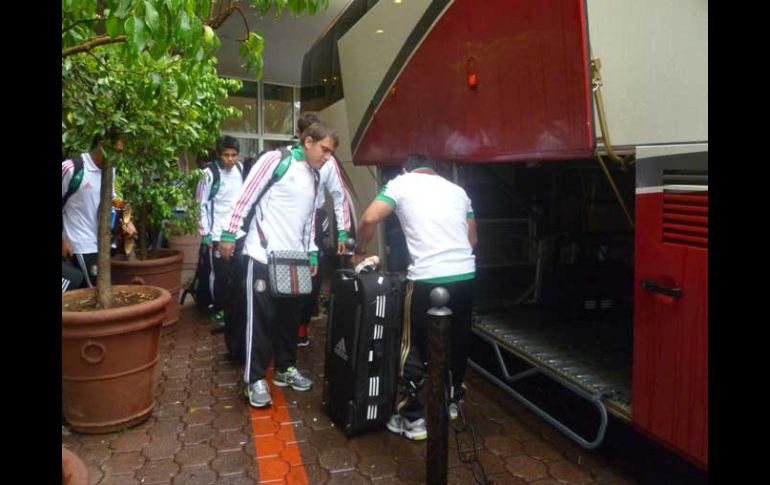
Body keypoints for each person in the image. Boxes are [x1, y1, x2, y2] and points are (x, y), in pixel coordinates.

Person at [351, 154, 478, 441]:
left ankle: (413, 417)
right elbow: (472, 240)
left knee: (413, 345)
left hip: (427, 279)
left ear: (406, 168)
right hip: (465, 276)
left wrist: (359, 250)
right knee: (456, 341)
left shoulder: (401, 183)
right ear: (433, 170)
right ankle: (453, 401)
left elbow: (370, 217)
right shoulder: (458, 191)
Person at [218, 121, 339, 408]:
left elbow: (310, 219)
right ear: (308, 141)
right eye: (325, 150)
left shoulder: (315, 175)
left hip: (294, 261)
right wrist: (228, 234)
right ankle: (253, 379)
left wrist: (310, 252)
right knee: (258, 322)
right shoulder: (276, 160)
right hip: (261, 255)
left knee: (288, 319)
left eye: (331, 153)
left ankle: (285, 368)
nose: (327, 157)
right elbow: (245, 196)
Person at [295, 112, 352, 346]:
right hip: (290, 218)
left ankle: (301, 325)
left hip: (316, 219)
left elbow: (339, 195)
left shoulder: (328, 163)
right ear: (301, 137)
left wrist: (343, 231)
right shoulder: (286, 159)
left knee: (312, 273)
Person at [62, 134, 136, 288]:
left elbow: (113, 200)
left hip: (101, 244)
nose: (119, 156)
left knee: (95, 292)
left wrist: (128, 222)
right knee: (93, 291)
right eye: (118, 151)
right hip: (79, 244)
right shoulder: (71, 168)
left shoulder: (110, 170)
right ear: (102, 145)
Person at [195, 136, 245, 324]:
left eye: (234, 155)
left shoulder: (240, 169)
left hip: (237, 232)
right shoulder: (209, 174)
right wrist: (205, 234)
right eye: (226, 155)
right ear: (219, 154)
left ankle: (235, 307)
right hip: (216, 234)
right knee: (220, 275)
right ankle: (220, 308)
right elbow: (200, 204)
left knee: (239, 271)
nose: (230, 159)